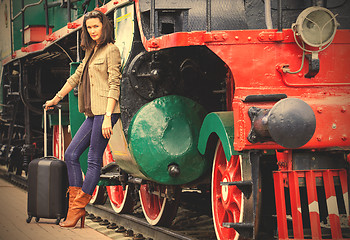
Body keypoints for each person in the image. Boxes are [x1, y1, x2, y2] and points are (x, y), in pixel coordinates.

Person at [45, 10, 121, 228]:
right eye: (89, 28)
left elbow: (115, 84)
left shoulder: (111, 50)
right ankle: (76, 206)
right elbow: (76, 77)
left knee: (93, 160)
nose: (93, 31)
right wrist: (56, 98)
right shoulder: (92, 51)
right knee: (71, 153)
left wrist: (108, 116)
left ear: (104, 26)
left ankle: (78, 208)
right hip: (92, 112)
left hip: (106, 112)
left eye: (96, 26)